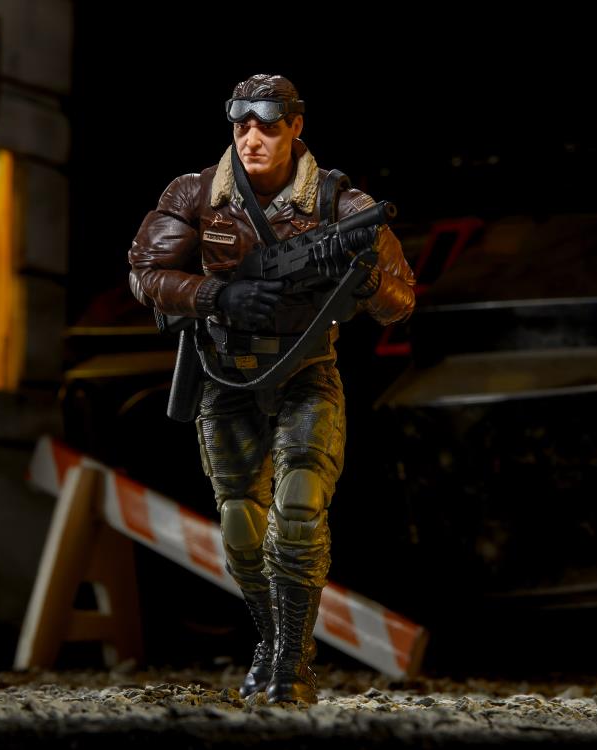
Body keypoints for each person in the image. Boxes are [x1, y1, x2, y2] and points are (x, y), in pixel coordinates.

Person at [128, 74, 415, 703]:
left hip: (305, 372)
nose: (252, 139)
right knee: (239, 524)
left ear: (296, 127)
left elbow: (401, 301)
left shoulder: (340, 203)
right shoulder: (196, 192)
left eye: (269, 126)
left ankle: (293, 659)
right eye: (242, 126)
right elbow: (145, 274)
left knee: (302, 511)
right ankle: (270, 640)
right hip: (224, 375)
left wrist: (364, 277)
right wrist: (217, 294)